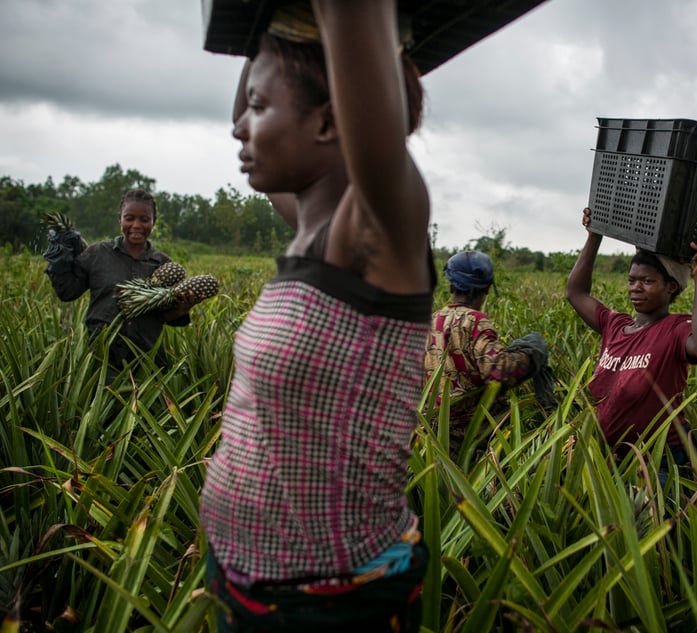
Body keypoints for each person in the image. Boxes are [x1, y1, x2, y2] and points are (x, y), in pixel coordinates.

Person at [199, 2, 433, 630]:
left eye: (259, 107)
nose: (239, 127)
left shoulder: (374, 229)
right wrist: (268, 23)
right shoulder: (309, 227)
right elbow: (245, 109)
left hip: (330, 603)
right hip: (244, 582)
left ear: (332, 120)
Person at [566, 208, 697, 485]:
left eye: (648, 281)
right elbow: (576, 293)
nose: (636, 288)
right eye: (632, 280)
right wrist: (594, 236)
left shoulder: (674, 328)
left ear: (671, 287)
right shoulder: (615, 326)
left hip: (663, 459)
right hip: (614, 457)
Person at [43, 188, 198, 374]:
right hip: (102, 357)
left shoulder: (163, 264)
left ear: (154, 221)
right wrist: (60, 260)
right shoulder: (97, 253)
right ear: (120, 219)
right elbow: (68, 292)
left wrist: (182, 309)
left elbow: (165, 316)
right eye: (129, 218)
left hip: (147, 359)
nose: (136, 225)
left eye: (144, 219)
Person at [424, 250, 554, 459]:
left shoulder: (433, 319)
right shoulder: (475, 321)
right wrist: (530, 355)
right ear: (486, 289)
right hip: (476, 434)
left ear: (451, 286)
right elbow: (498, 373)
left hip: (436, 431)